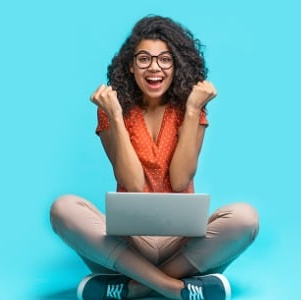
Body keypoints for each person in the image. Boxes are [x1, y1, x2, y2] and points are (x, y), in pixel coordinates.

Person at [50, 15, 259, 300]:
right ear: (131, 66)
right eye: (144, 59)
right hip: (128, 245)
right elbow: (133, 184)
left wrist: (194, 108)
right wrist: (114, 115)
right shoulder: (111, 108)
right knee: (63, 209)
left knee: (245, 218)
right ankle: (178, 288)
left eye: (165, 59)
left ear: (176, 66)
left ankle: (133, 288)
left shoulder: (192, 107)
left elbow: (180, 179)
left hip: (183, 246)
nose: (154, 67)